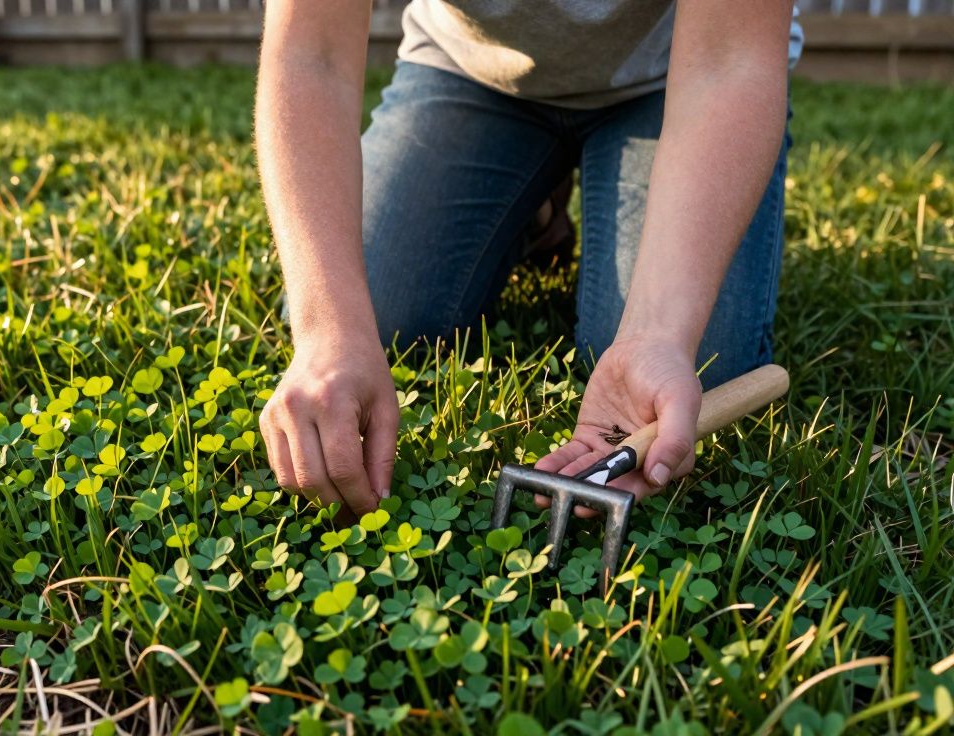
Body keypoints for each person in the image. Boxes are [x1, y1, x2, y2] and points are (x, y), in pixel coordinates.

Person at [255, 1, 802, 520]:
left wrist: (657, 334)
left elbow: (729, 62)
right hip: (472, 69)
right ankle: (534, 207)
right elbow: (311, 54)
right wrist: (330, 329)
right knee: (378, 311)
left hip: (679, 77)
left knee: (698, 361)